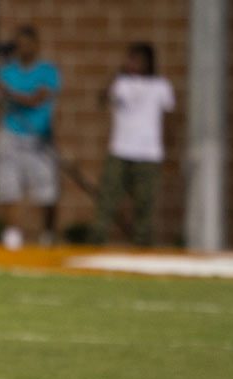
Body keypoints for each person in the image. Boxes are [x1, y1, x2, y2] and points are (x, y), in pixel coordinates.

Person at [94, 42, 174, 246]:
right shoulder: (121, 83)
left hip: (148, 153)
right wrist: (115, 76)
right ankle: (96, 241)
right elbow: (102, 100)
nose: (132, 63)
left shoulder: (160, 86)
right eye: (130, 58)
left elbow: (167, 118)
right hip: (120, 149)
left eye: (137, 59)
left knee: (144, 203)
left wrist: (166, 149)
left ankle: (142, 246)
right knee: (107, 198)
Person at [0, 25, 61, 250]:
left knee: (46, 191)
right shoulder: (7, 71)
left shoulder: (47, 71)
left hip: (38, 136)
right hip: (11, 133)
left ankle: (48, 235)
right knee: (8, 186)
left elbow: (37, 99)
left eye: (27, 43)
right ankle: (12, 235)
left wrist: (9, 93)